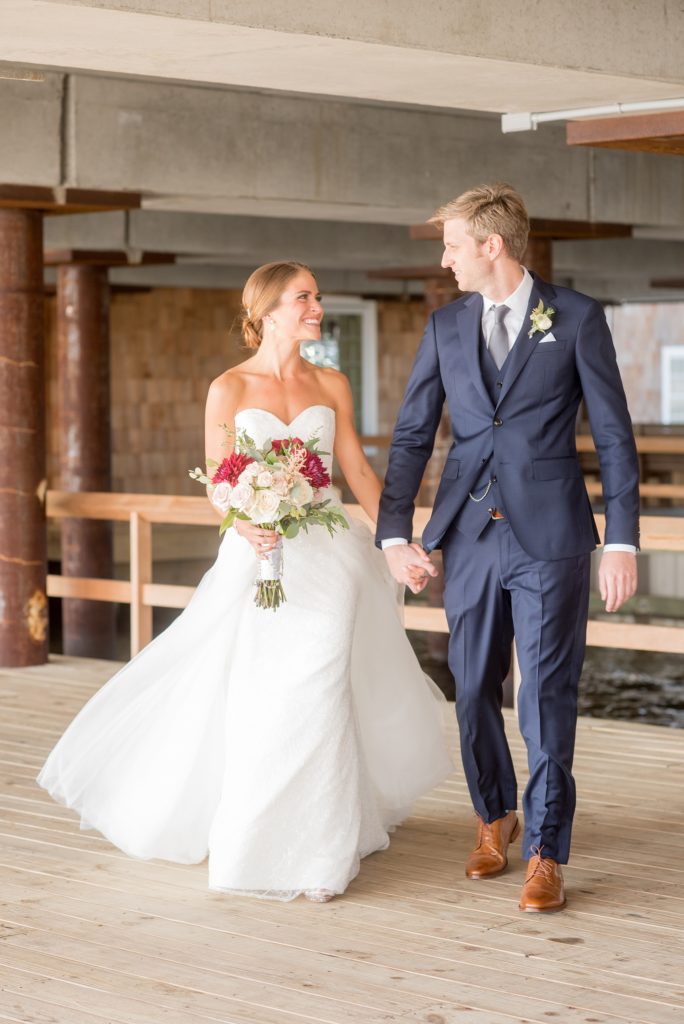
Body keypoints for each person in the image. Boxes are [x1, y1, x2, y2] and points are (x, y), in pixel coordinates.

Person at [38, 260, 453, 902]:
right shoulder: (228, 387)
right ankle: (255, 841)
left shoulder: (332, 383)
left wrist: (398, 541)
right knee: (266, 695)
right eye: (303, 297)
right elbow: (218, 478)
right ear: (265, 311)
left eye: (317, 295)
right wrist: (246, 519)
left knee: (320, 685)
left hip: (327, 559)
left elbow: (360, 476)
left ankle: (322, 846)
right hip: (256, 557)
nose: (316, 305)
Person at [377, 184, 639, 913]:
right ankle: (495, 815)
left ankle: (548, 852)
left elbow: (615, 438)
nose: (445, 259)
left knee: (546, 695)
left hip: (551, 535)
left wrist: (621, 539)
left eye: (453, 245)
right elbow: (411, 435)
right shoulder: (445, 326)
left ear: (492, 246)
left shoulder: (578, 318)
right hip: (467, 535)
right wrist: (396, 533)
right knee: (469, 688)